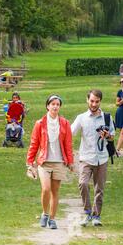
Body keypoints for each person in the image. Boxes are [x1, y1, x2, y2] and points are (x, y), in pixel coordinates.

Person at [26, 95, 74, 229]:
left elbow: (68, 144)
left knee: (55, 191)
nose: (55, 106)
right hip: (44, 162)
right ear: (47, 106)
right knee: (46, 189)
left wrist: (70, 162)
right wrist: (29, 162)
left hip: (59, 162)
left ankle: (52, 219)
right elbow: (34, 143)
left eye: (57, 104)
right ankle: (45, 213)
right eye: (52, 104)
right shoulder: (40, 123)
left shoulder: (64, 123)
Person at [71, 89, 115, 227]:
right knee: (83, 184)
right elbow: (70, 133)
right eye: (92, 101)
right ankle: (88, 212)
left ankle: (96, 216)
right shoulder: (81, 118)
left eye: (97, 101)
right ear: (87, 100)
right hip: (85, 157)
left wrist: (107, 135)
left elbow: (112, 136)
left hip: (102, 158)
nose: (94, 104)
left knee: (99, 189)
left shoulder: (107, 117)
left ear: (100, 101)